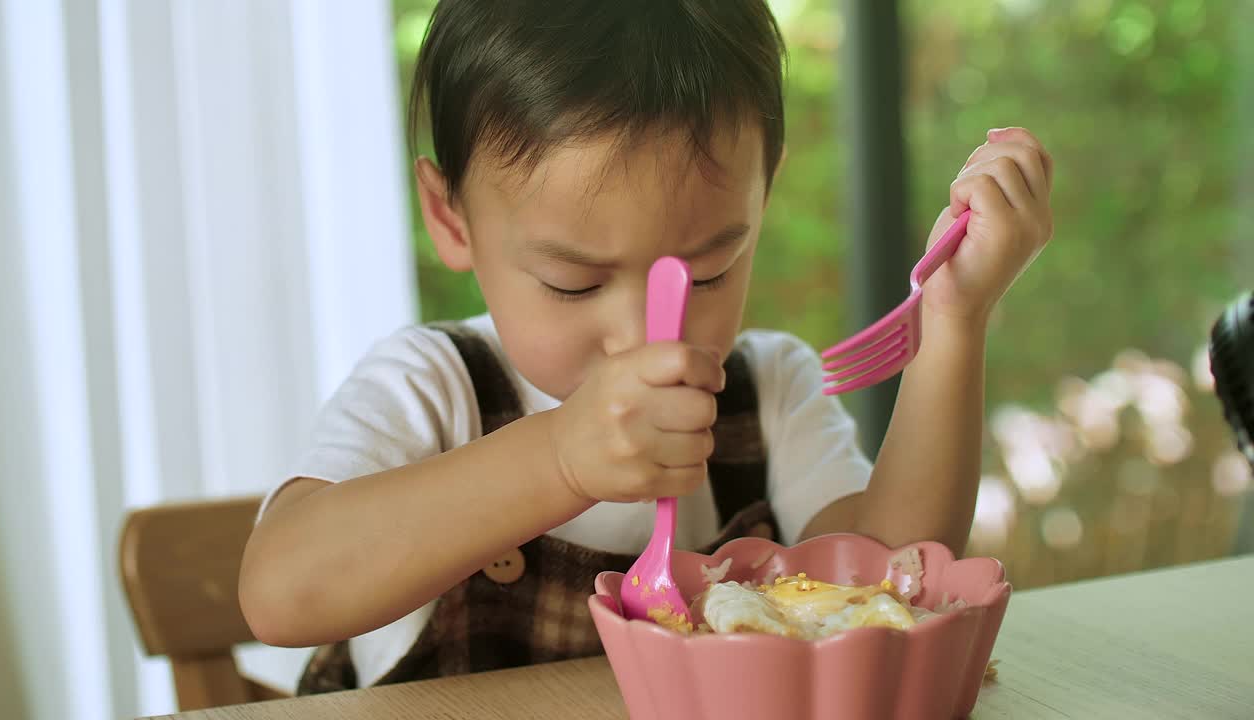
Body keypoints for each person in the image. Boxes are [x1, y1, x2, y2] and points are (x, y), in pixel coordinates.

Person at [239, 0, 1054, 692]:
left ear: (763, 193)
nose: (643, 336)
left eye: (706, 273)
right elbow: (280, 593)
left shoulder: (766, 393)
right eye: (573, 283)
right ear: (451, 217)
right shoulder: (432, 389)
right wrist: (559, 457)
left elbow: (893, 581)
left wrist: (954, 319)